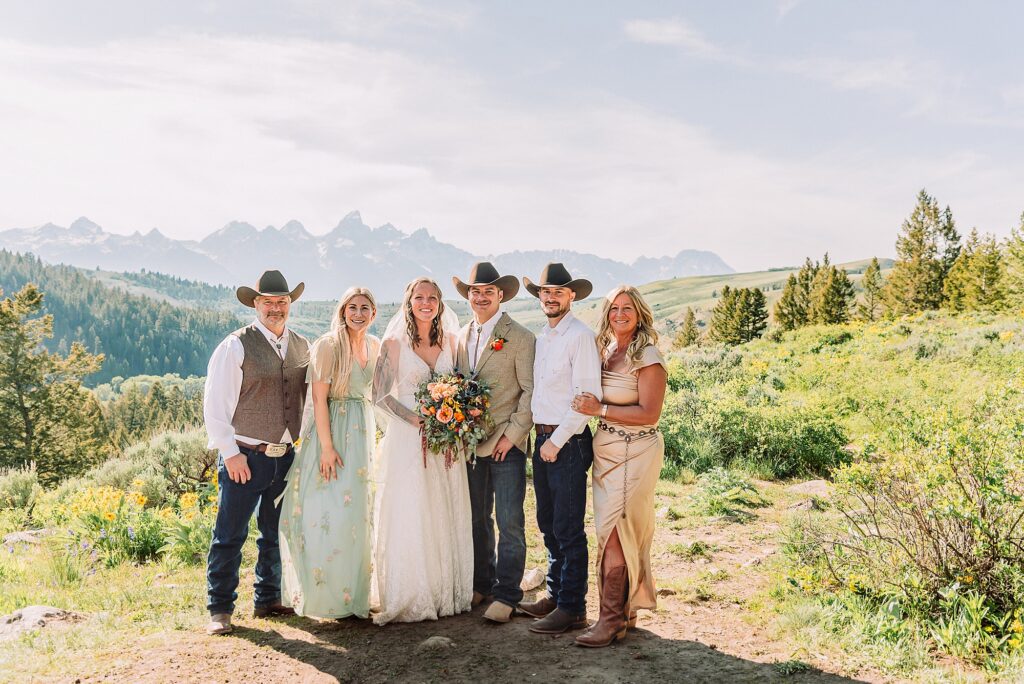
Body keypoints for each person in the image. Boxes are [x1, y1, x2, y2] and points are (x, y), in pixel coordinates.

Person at [203, 270, 310, 636]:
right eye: (269, 302)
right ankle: (219, 608)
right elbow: (215, 404)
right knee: (230, 532)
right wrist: (230, 453)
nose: (276, 308)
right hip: (245, 454)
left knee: (275, 531)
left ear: (290, 304)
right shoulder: (235, 345)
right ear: (256, 304)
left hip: (285, 455)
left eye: (282, 302)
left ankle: (268, 598)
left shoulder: (301, 345)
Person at [370, 277, 473, 624]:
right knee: (413, 509)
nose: (426, 302)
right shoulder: (393, 344)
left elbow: (462, 387)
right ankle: (413, 591)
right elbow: (380, 396)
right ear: (408, 301)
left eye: (432, 297)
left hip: (445, 442)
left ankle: (447, 589)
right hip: (409, 440)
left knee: (444, 507)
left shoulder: (452, 341)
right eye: (419, 297)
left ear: (441, 303)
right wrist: (418, 421)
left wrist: (451, 419)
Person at [571, 285, 667, 647]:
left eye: (627, 308)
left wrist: (601, 411)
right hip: (606, 451)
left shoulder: (648, 355)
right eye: (614, 308)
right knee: (609, 532)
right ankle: (625, 613)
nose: (620, 314)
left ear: (639, 312)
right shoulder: (605, 349)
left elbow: (649, 413)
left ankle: (609, 619)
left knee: (616, 531)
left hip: (637, 451)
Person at [279, 287, 379, 619]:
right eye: (353, 307)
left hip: (362, 432)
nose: (359, 313)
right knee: (330, 511)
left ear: (374, 313)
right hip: (333, 429)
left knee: (357, 514)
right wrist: (326, 447)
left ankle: (355, 596)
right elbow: (319, 399)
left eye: (365, 307)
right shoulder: (328, 346)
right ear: (342, 310)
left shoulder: (374, 346)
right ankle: (327, 596)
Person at [517, 263, 602, 634]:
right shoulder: (545, 337)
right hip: (543, 438)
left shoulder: (580, 336)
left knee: (568, 528)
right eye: (545, 292)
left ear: (571, 296)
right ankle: (554, 593)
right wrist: (542, 442)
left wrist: (555, 442)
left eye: (558, 292)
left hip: (566, 442)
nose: (550, 297)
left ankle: (573, 608)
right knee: (548, 523)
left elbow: (587, 398)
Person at [452, 262, 535, 624]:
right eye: (475, 290)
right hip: (470, 444)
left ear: (500, 295)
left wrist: (512, 435)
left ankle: (508, 593)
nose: (481, 296)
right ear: (468, 296)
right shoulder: (460, 335)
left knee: (509, 521)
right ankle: (482, 583)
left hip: (506, 445)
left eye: (488, 290)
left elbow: (531, 391)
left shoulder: (519, 336)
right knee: (475, 519)